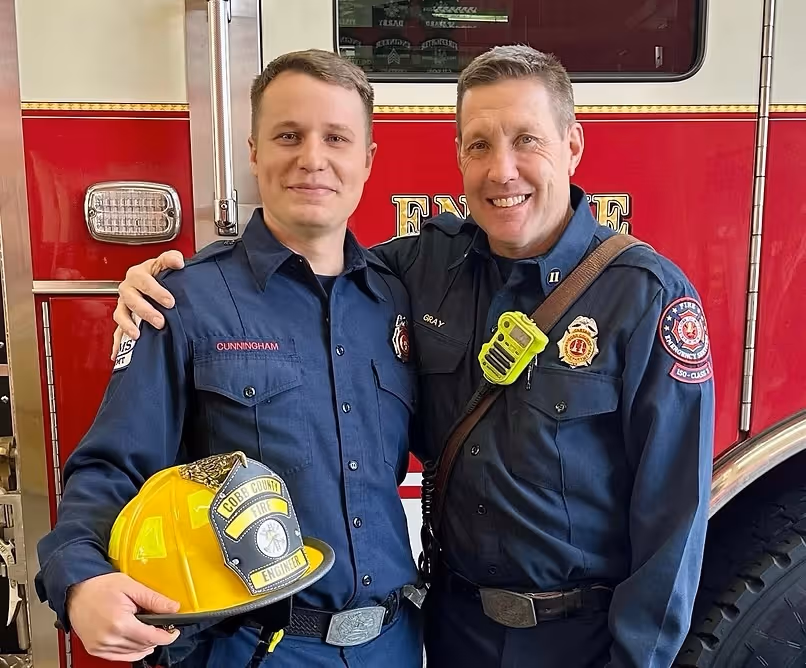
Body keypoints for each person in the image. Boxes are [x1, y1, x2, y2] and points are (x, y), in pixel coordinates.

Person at [112, 45, 715, 668]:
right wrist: (170, 285)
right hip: (452, 632)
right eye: (479, 145)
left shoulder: (646, 297)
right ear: (458, 157)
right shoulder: (416, 271)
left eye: (526, 140)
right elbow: (312, 271)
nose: (502, 170)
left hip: (579, 640)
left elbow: (676, 513)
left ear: (573, 145)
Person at [35, 50, 423, 668]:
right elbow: (111, 467)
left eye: (337, 138)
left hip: (394, 644)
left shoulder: (398, 298)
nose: (312, 158)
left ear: (368, 159)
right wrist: (80, 579)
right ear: (253, 150)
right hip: (248, 650)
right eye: (288, 136)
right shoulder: (181, 300)